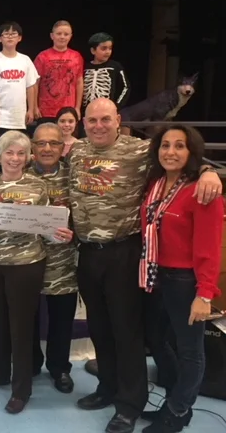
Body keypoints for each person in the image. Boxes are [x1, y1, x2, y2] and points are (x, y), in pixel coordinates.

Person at [69, 98, 222, 433]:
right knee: (100, 328)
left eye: (105, 119)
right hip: (88, 252)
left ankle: (129, 404)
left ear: (118, 120)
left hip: (124, 252)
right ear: (84, 122)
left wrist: (209, 171)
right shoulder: (77, 151)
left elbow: (181, 158)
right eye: (92, 120)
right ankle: (107, 387)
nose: (98, 126)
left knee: (127, 332)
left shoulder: (140, 150)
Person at [0, 130, 73, 415]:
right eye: (9, 152)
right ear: (0, 155)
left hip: (26, 264)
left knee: (22, 327)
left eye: (20, 153)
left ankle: (21, 389)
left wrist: (59, 235)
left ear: (27, 157)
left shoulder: (38, 186)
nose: (14, 158)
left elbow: (47, 227)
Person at [139, 125, 223, 433]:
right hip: (155, 276)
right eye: (165, 145)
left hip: (185, 281)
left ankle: (178, 411)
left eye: (179, 146)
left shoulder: (202, 191)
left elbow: (209, 248)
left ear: (192, 152)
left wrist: (205, 294)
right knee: (156, 340)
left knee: (190, 352)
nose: (170, 152)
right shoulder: (156, 184)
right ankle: (175, 400)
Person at [28, 123, 79, 394]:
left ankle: (60, 368)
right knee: (27, 317)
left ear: (63, 147)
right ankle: (30, 364)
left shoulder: (76, 176)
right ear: (32, 147)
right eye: (41, 143)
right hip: (27, 262)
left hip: (64, 263)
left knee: (61, 319)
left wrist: (75, 233)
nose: (47, 148)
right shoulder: (18, 174)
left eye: (54, 143)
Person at [0, 22, 38, 133]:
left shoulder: (26, 60)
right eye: (6, 34)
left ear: (19, 38)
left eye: (13, 34)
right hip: (0, 117)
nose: (10, 37)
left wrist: (31, 110)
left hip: (20, 117)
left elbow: (31, 87)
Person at [33, 21, 84, 125]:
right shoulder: (42, 57)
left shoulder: (76, 56)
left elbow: (79, 82)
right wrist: (34, 106)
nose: (62, 37)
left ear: (70, 36)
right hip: (46, 110)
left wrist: (77, 107)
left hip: (68, 111)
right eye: (59, 34)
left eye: (66, 34)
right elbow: (35, 83)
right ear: (52, 36)